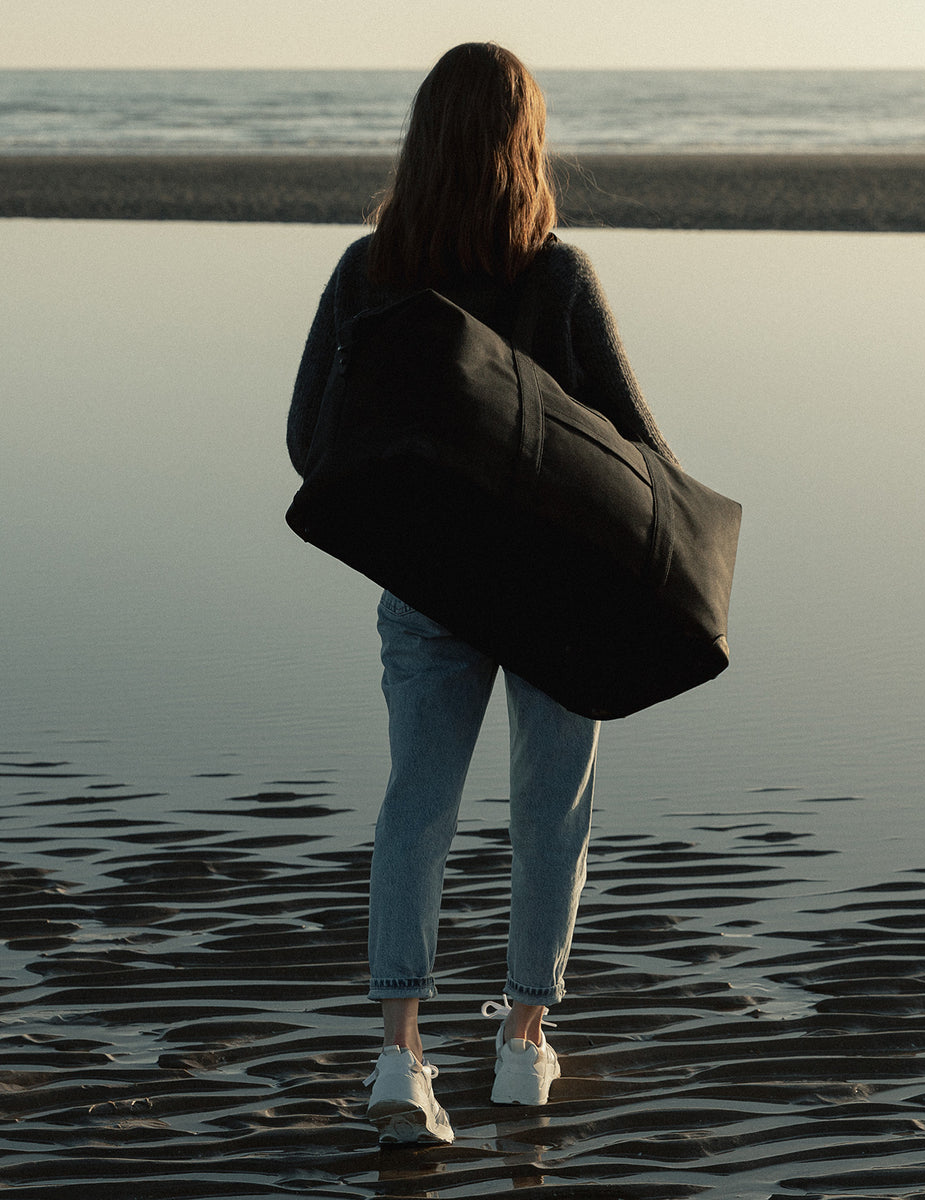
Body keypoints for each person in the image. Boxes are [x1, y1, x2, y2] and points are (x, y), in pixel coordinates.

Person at [287, 42, 677, 1145]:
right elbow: (643, 457)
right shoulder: (558, 276)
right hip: (560, 595)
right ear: (526, 146)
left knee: (418, 801)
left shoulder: (371, 271)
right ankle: (520, 1043)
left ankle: (400, 1058)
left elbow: (306, 438)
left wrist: (405, 507)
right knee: (549, 813)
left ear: (424, 142)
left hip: (426, 583)